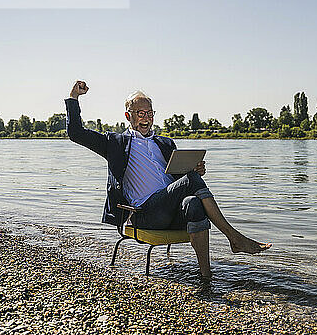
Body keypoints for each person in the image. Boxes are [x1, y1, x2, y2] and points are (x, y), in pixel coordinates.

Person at [65, 80, 271, 280]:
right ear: (128, 116)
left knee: (193, 204)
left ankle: (206, 275)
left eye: (150, 113)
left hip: (172, 212)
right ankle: (234, 238)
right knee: (191, 181)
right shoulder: (115, 143)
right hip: (144, 214)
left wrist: (195, 171)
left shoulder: (165, 143)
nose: (146, 118)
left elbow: (181, 181)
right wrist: (74, 97)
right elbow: (76, 133)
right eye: (140, 113)